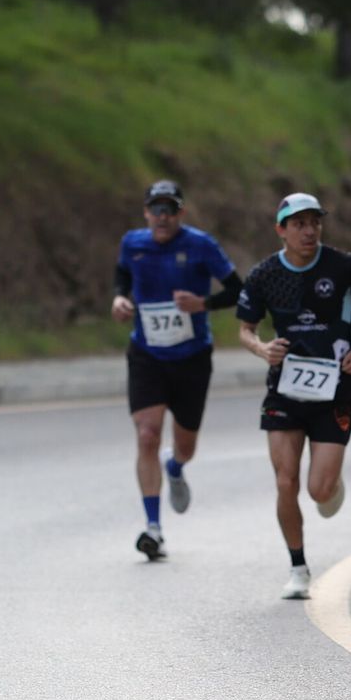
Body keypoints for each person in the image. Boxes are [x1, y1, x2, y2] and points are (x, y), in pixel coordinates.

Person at [237, 193, 351, 599]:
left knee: (318, 491)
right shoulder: (265, 274)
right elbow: (245, 329)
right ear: (281, 229)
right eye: (299, 223)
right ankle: (298, 567)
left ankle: (331, 484)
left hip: (335, 386)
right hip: (284, 388)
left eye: (314, 222)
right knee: (286, 481)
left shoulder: (343, 266)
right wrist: (262, 349)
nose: (309, 230)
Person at [112, 180, 243, 561]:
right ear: (146, 213)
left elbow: (239, 289)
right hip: (147, 354)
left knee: (185, 445)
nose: (163, 216)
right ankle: (153, 528)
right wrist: (120, 297)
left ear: (181, 213)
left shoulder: (201, 245)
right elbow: (122, 274)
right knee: (147, 434)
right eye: (156, 209)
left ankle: (176, 466)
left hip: (191, 358)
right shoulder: (132, 243)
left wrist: (203, 303)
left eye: (170, 209)